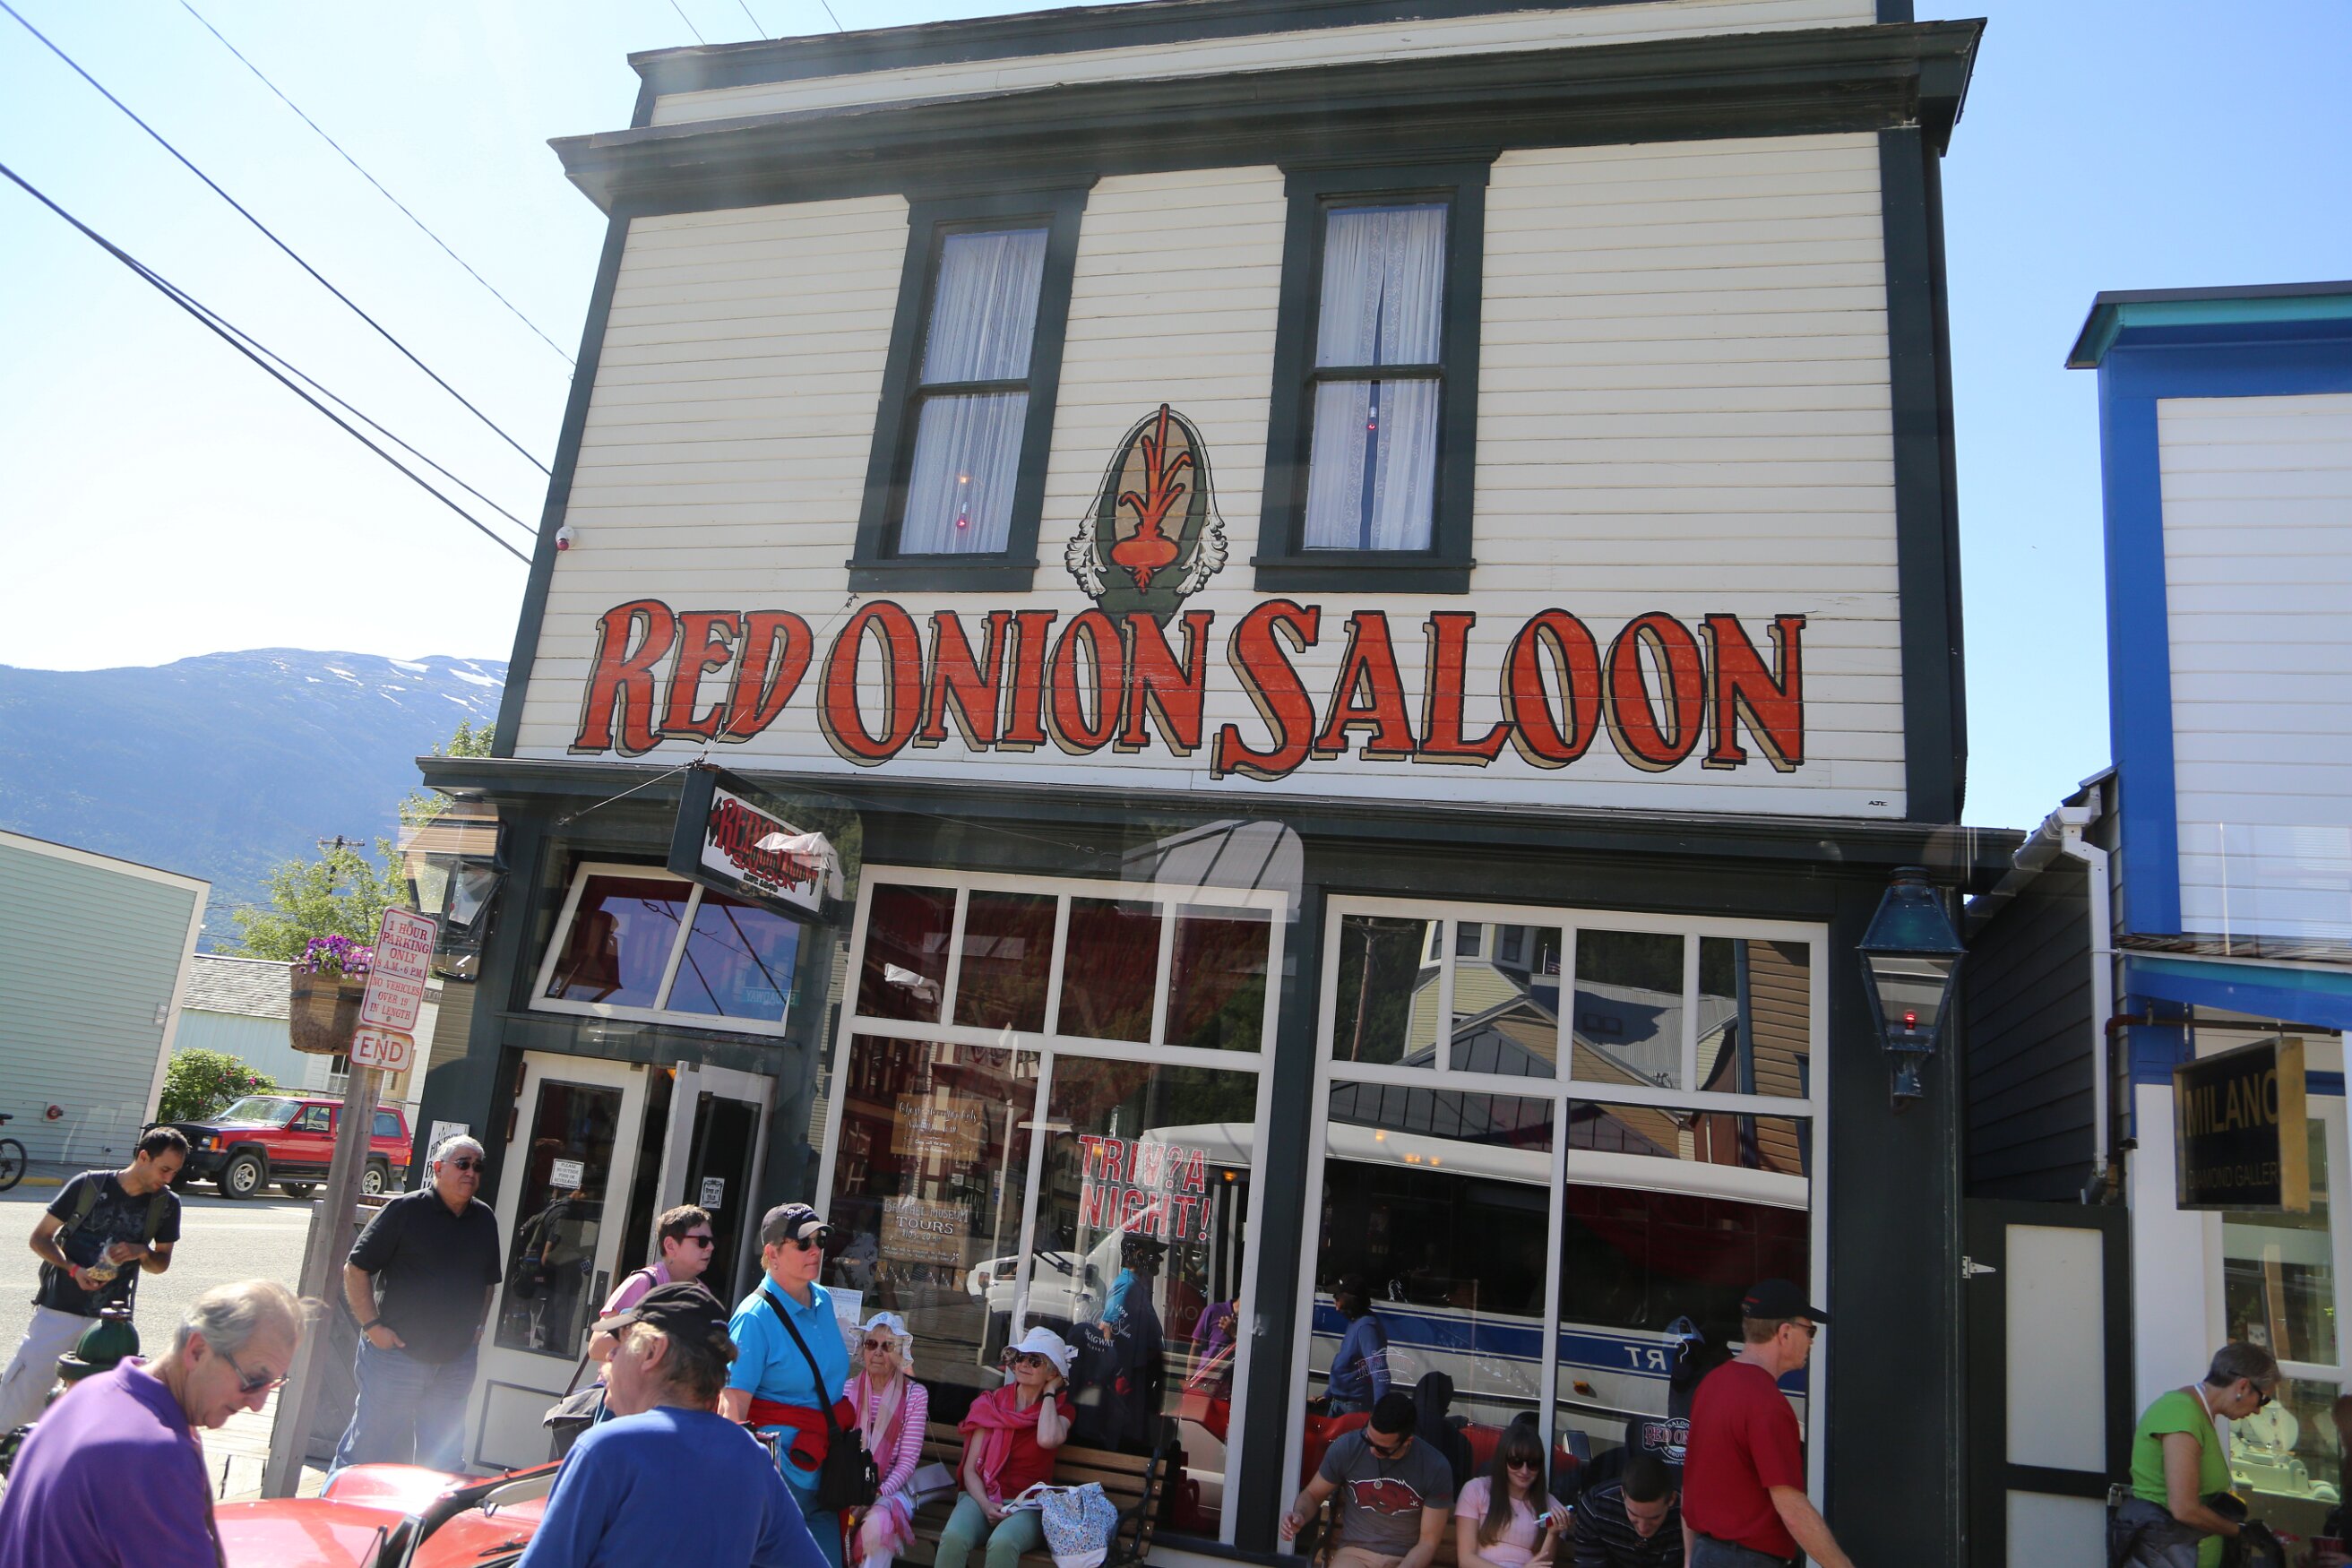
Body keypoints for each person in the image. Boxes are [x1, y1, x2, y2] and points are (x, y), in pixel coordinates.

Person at [0, 1279, 306, 1568]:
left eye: (272, 1384)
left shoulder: (87, 1394)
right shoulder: (154, 1453)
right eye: (254, 1380)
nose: (257, 1404)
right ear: (197, 1350)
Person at [519, 1282, 822, 1568]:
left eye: (621, 1342)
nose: (610, 1355)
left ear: (652, 1351)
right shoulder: (751, 1457)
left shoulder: (606, 1450)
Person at [333, 1133, 504, 1473]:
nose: (471, 1172)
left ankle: (430, 1513)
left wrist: (478, 1327)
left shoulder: (484, 1218)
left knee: (443, 1464)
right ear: (438, 1168)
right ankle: (335, 1506)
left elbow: (488, 1281)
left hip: (455, 1362)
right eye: (463, 1164)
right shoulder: (406, 1210)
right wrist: (373, 1327)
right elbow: (356, 1268)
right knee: (366, 1454)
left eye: (477, 1166)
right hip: (396, 1357)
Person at [0, 1127, 186, 1434]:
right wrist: (73, 1269)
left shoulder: (166, 1204)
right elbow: (40, 1238)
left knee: (94, 1414)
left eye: (174, 1172)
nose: (168, 1179)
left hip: (111, 1326)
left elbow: (160, 1264)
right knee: (19, 1401)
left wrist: (142, 1251)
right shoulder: (88, 1185)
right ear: (143, 1157)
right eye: (164, 1169)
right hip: (59, 1309)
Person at [1680, 1279, 1850, 1568]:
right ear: (1785, 1333)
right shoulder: (1767, 1405)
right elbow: (1792, 1509)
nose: (1811, 1341)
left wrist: (1688, 1557)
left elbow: (1690, 1484)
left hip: (1704, 1553)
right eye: (1809, 1331)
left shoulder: (1711, 1384)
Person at [723, 1203, 856, 1568]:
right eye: (802, 1243)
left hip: (826, 1474)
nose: (815, 1250)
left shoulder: (823, 1300)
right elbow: (732, 1410)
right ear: (772, 1253)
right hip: (777, 1481)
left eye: (820, 1241)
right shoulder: (753, 1318)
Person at [2113, 1342, 2280, 1568]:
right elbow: (2184, 1508)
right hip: (2167, 1556)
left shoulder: (2197, 1412)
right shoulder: (2180, 1412)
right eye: (2263, 1399)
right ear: (2242, 1386)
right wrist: (2240, 1531)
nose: (2258, 1410)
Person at [936, 1326, 1074, 1568]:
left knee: (1002, 1542)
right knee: (954, 1537)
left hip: (1029, 1506)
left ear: (1052, 1372)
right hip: (982, 1496)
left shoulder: (1061, 1410)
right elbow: (970, 1470)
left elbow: (1047, 1439)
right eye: (1021, 1358)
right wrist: (985, 1505)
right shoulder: (991, 1404)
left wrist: (1050, 1393)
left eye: (1035, 1361)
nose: (1024, 1365)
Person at [1282, 1390, 1456, 1568]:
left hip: (1404, 1559)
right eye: (1368, 1440)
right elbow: (1312, 1494)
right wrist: (1300, 1514)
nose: (1372, 1450)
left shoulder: (1434, 1467)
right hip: (1354, 1554)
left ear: (1407, 1441)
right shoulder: (1348, 1447)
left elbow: (1428, 1542)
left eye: (1382, 1449)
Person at [588, 1205, 716, 1376]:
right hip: (627, 1391)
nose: (710, 1247)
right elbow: (596, 1347)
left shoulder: (703, 1294)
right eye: (702, 1241)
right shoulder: (644, 1283)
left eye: (711, 1241)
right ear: (670, 1246)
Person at [844, 1312, 929, 1568]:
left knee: (878, 1526)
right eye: (872, 1344)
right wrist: (853, 1494)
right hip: (848, 1485)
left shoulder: (915, 1395)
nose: (878, 1352)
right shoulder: (847, 1389)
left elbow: (906, 1463)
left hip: (892, 1489)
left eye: (887, 1346)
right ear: (863, 1349)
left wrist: (873, 1495)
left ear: (899, 1354)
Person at [1455, 1415, 1568, 1568]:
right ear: (1503, 1460)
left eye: (1533, 1464)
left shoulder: (1553, 1507)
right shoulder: (1476, 1490)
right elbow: (1466, 1560)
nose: (1524, 1471)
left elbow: (1544, 1564)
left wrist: (1553, 1534)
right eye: (1516, 1462)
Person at [1574, 1452, 1683, 1568]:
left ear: (1672, 1499)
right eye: (1633, 1514)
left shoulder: (1686, 1515)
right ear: (1623, 1493)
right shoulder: (1596, 1506)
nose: (1643, 1528)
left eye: (1654, 1518)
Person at [1326, 1274, 1390, 1416]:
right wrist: (1328, 1394)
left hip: (1353, 1407)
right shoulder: (1356, 1322)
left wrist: (1379, 1413)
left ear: (1351, 1300)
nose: (1335, 1305)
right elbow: (1346, 1365)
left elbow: (1379, 1371)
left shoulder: (1366, 1328)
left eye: (1337, 1298)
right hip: (1339, 1402)